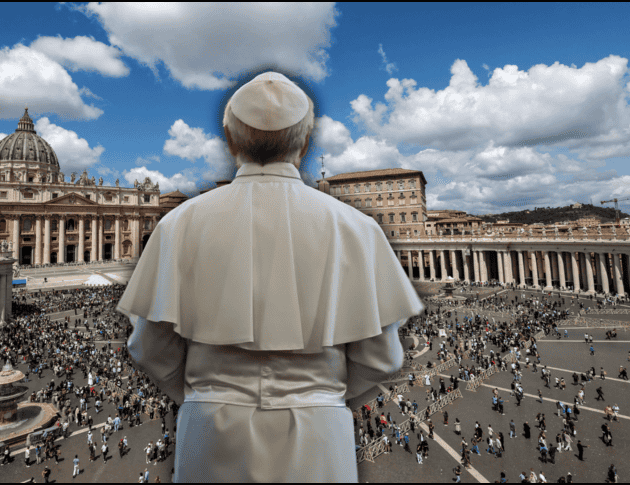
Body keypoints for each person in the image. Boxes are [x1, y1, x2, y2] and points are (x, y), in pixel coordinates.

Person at [116, 71, 424, 482]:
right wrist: (320, 400)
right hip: (319, 439)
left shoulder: (178, 224)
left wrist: (201, 396)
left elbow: (150, 349)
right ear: (306, 144)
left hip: (209, 435)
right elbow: (382, 358)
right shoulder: (356, 228)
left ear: (229, 140)